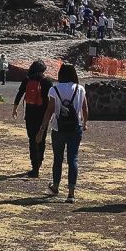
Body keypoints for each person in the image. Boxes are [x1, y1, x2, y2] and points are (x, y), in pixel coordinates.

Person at [37, 64, 88, 203]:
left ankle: (56, 186)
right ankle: (71, 193)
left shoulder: (55, 89)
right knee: (73, 159)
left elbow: (50, 110)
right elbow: (85, 109)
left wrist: (42, 128)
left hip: (58, 128)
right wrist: (84, 124)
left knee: (57, 159)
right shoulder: (80, 89)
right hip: (75, 127)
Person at [13, 60, 54, 177]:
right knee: (41, 139)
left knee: (32, 140)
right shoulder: (47, 81)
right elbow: (52, 99)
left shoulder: (27, 80)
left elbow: (20, 93)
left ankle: (34, 166)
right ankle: (39, 161)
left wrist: (15, 108)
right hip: (43, 116)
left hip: (30, 115)